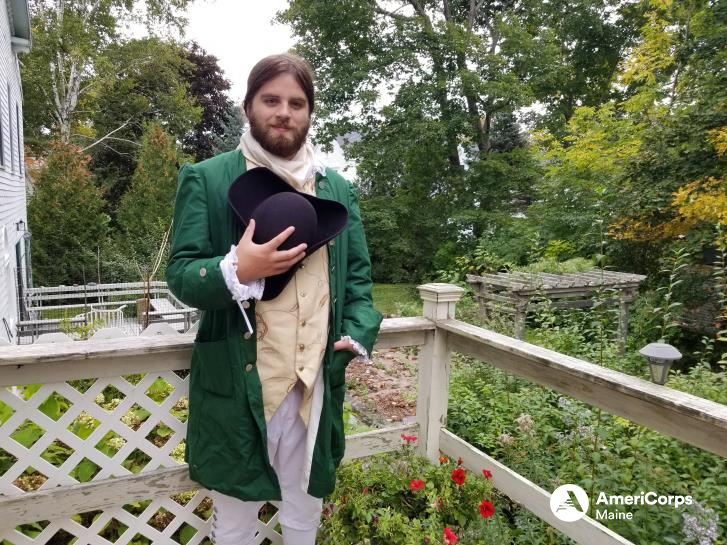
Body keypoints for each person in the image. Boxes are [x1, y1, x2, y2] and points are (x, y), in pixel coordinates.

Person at [166, 53, 382, 545]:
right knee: (236, 526)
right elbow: (180, 274)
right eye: (271, 100)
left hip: (315, 386)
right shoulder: (208, 177)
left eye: (296, 102)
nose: (284, 112)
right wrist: (238, 270)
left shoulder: (337, 188)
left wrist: (355, 333)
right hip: (239, 390)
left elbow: (359, 281)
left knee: (305, 518)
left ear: (309, 113)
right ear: (249, 107)